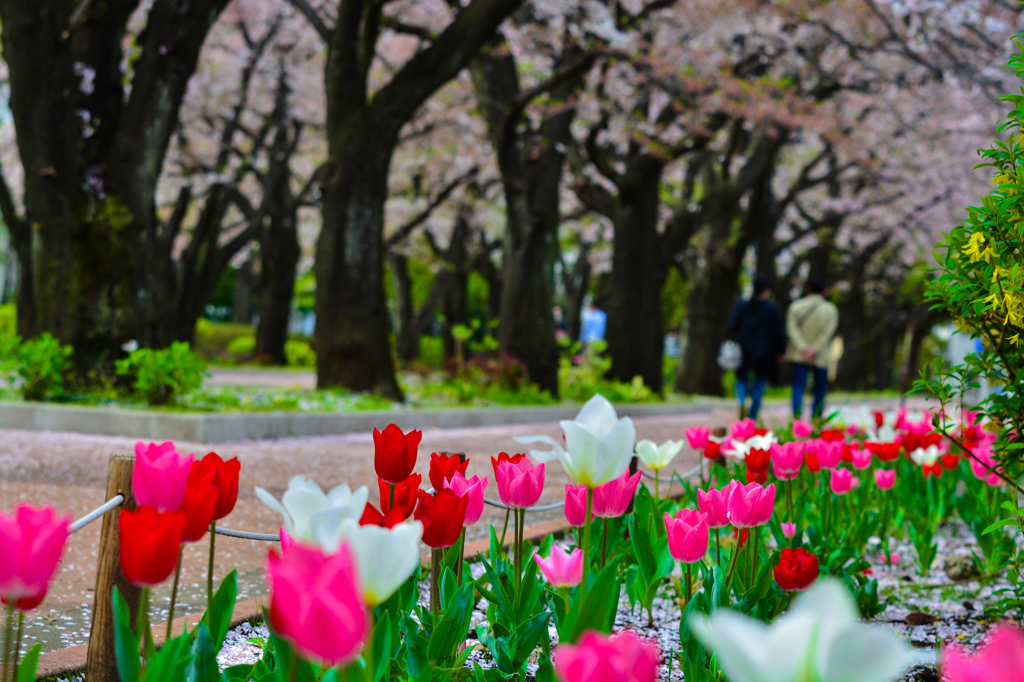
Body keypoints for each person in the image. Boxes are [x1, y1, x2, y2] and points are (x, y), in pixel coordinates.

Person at [728, 276, 785, 420]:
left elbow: (732, 325)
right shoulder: (771, 309)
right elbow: (778, 332)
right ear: (766, 291)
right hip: (765, 351)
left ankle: (741, 400)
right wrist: (780, 351)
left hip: (744, 348)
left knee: (742, 378)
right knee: (759, 381)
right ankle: (753, 414)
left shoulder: (743, 305)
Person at [785, 277, 839, 420]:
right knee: (820, 390)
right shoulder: (831, 310)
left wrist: (804, 348)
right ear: (825, 292)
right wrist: (814, 349)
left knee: (798, 388)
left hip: (799, 355)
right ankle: (817, 420)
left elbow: (792, 329)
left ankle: (797, 420)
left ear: (808, 289)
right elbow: (827, 332)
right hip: (820, 356)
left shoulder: (795, 307)